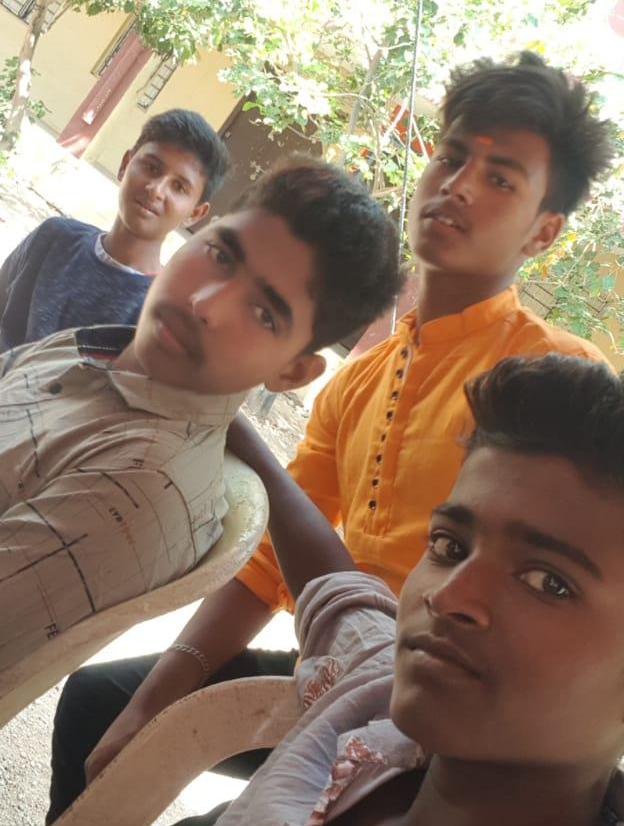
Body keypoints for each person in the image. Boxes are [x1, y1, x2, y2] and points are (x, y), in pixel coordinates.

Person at [47, 51, 614, 823]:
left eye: (501, 179)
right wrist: (157, 694)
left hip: (460, 701)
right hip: (334, 658)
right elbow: (271, 562)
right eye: (451, 157)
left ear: (544, 232)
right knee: (101, 702)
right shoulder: (361, 376)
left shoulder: (547, 384)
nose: (458, 186)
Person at [0, 156, 402, 677]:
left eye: (263, 313)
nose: (205, 304)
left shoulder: (136, 486)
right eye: (220, 255)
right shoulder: (92, 349)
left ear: (292, 372)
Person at [209, 353, 624, 825]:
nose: (447, 597)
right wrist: (214, 405)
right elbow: (336, 588)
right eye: (450, 546)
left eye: (548, 583)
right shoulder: (372, 704)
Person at [0, 108, 229, 353]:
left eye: (179, 187)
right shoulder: (55, 237)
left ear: (195, 213)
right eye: (152, 168)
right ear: (125, 164)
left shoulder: (161, 315)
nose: (156, 190)